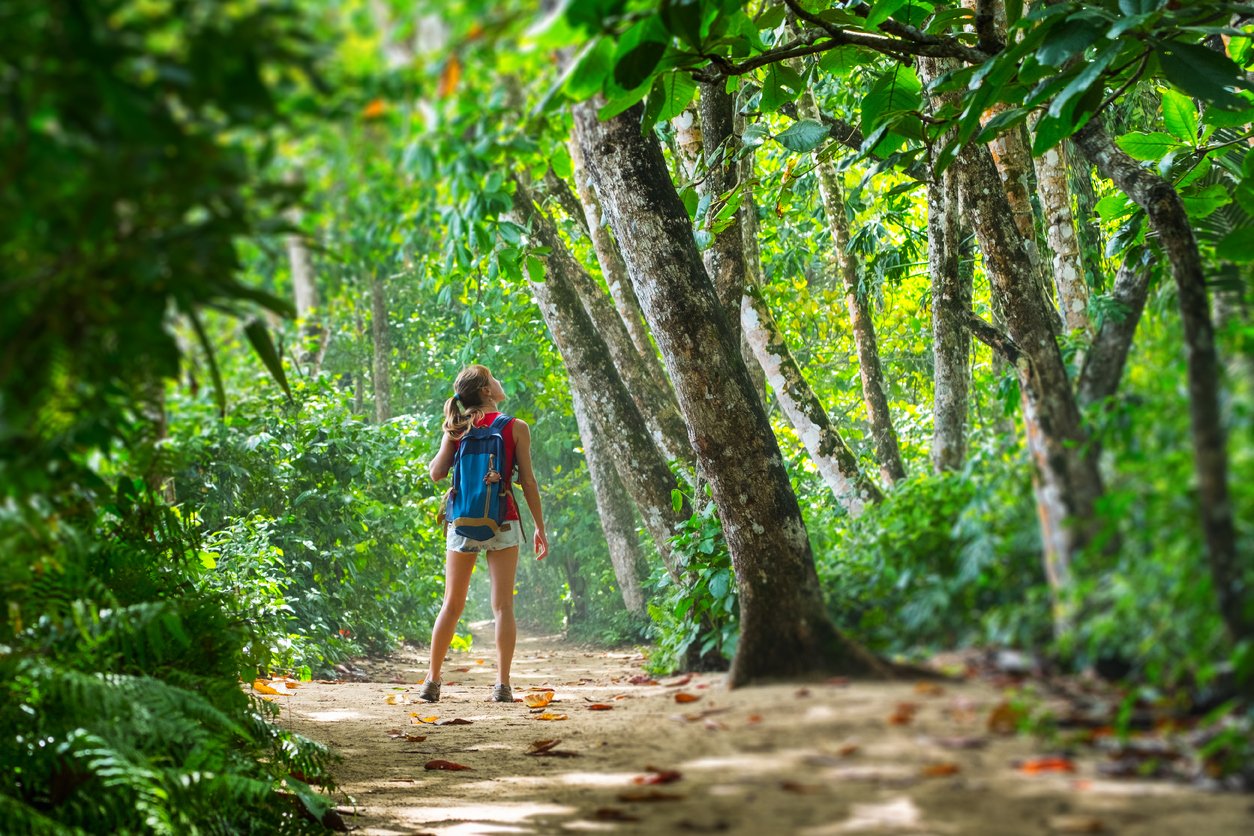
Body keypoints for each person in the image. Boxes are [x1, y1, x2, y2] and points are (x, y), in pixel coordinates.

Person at [418, 364, 548, 703]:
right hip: (503, 519)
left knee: (452, 604)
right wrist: (539, 527)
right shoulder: (515, 427)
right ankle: (502, 685)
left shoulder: (457, 427)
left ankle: (432, 681)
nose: (499, 381)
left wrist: (451, 433)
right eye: (494, 378)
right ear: (487, 391)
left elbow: (436, 473)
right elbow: (528, 481)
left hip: (462, 521)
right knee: (503, 606)